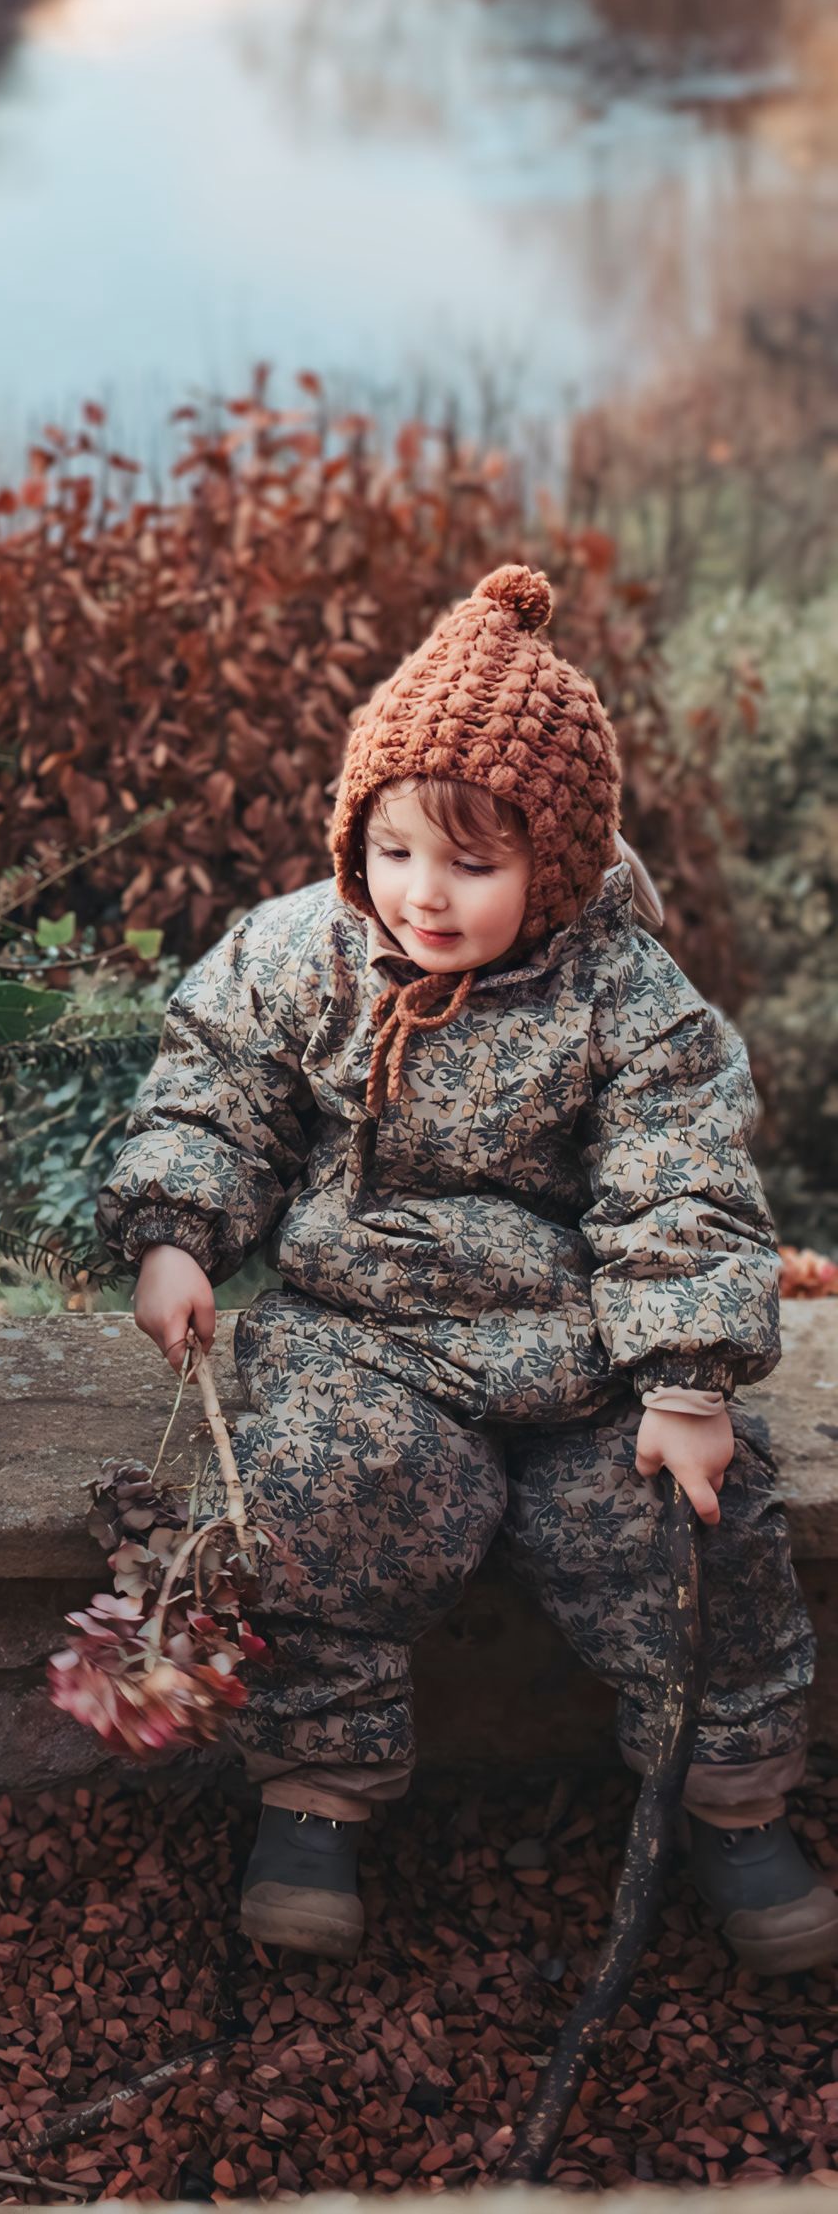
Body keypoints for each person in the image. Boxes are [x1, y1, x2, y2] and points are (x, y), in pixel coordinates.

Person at [97, 562, 836, 1976]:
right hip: (363, 1323)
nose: (420, 897)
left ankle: (733, 1803)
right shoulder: (299, 955)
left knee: (686, 1532)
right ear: (352, 835)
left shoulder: (624, 1002)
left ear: (549, 867)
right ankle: (312, 1791)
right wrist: (177, 1232)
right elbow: (210, 1094)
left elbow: (676, 1179)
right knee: (308, 1496)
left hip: (582, 1344)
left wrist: (682, 1376)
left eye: (471, 867)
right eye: (391, 852)